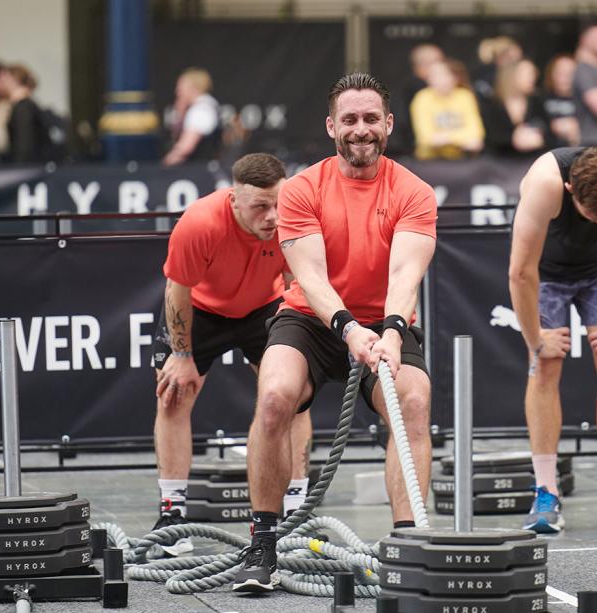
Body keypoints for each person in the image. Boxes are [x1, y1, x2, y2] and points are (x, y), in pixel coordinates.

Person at [233, 73, 437, 594]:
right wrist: (347, 330)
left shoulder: (413, 191)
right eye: (350, 119)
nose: (361, 129)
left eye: (371, 119)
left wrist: (390, 333)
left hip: (384, 319)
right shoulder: (302, 189)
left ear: (388, 124)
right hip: (313, 318)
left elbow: (405, 275)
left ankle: (408, 544)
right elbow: (311, 278)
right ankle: (263, 542)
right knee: (276, 397)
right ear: (331, 127)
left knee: (412, 403)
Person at [150, 153, 313, 554]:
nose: (272, 216)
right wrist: (182, 355)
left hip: (264, 307)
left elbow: (299, 278)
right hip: (201, 310)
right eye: (260, 206)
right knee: (173, 395)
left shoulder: (293, 216)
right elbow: (178, 291)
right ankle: (172, 514)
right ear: (234, 200)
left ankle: (295, 511)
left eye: (277, 202)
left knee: (294, 399)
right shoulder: (200, 223)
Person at [508, 146, 597, 534]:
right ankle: (545, 492)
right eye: (595, 215)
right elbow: (520, 273)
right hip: (545, 271)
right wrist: (536, 340)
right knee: (544, 367)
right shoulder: (544, 183)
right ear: (570, 190)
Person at [409, 59, 484, 160]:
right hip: (430, 160)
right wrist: (462, 139)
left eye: (444, 75)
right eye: (434, 76)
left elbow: (476, 134)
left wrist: (444, 138)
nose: (440, 80)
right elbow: (425, 138)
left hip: (462, 158)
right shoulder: (422, 98)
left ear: (455, 78)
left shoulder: (465, 96)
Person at [163, 68, 221, 166]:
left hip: (200, 171)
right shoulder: (203, 106)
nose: (177, 91)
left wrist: (165, 164)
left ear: (193, 88)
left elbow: (185, 147)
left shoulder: (200, 110)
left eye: (181, 87)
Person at [0, 64, 48, 163]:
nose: (2, 83)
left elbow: (24, 145)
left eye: (4, 80)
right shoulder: (23, 105)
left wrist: (19, 168)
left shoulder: (23, 107)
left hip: (28, 167)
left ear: (13, 80)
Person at [540, 53, 580, 146]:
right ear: (551, 74)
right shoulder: (540, 99)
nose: (565, 78)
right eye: (560, 73)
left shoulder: (585, 100)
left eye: (570, 74)